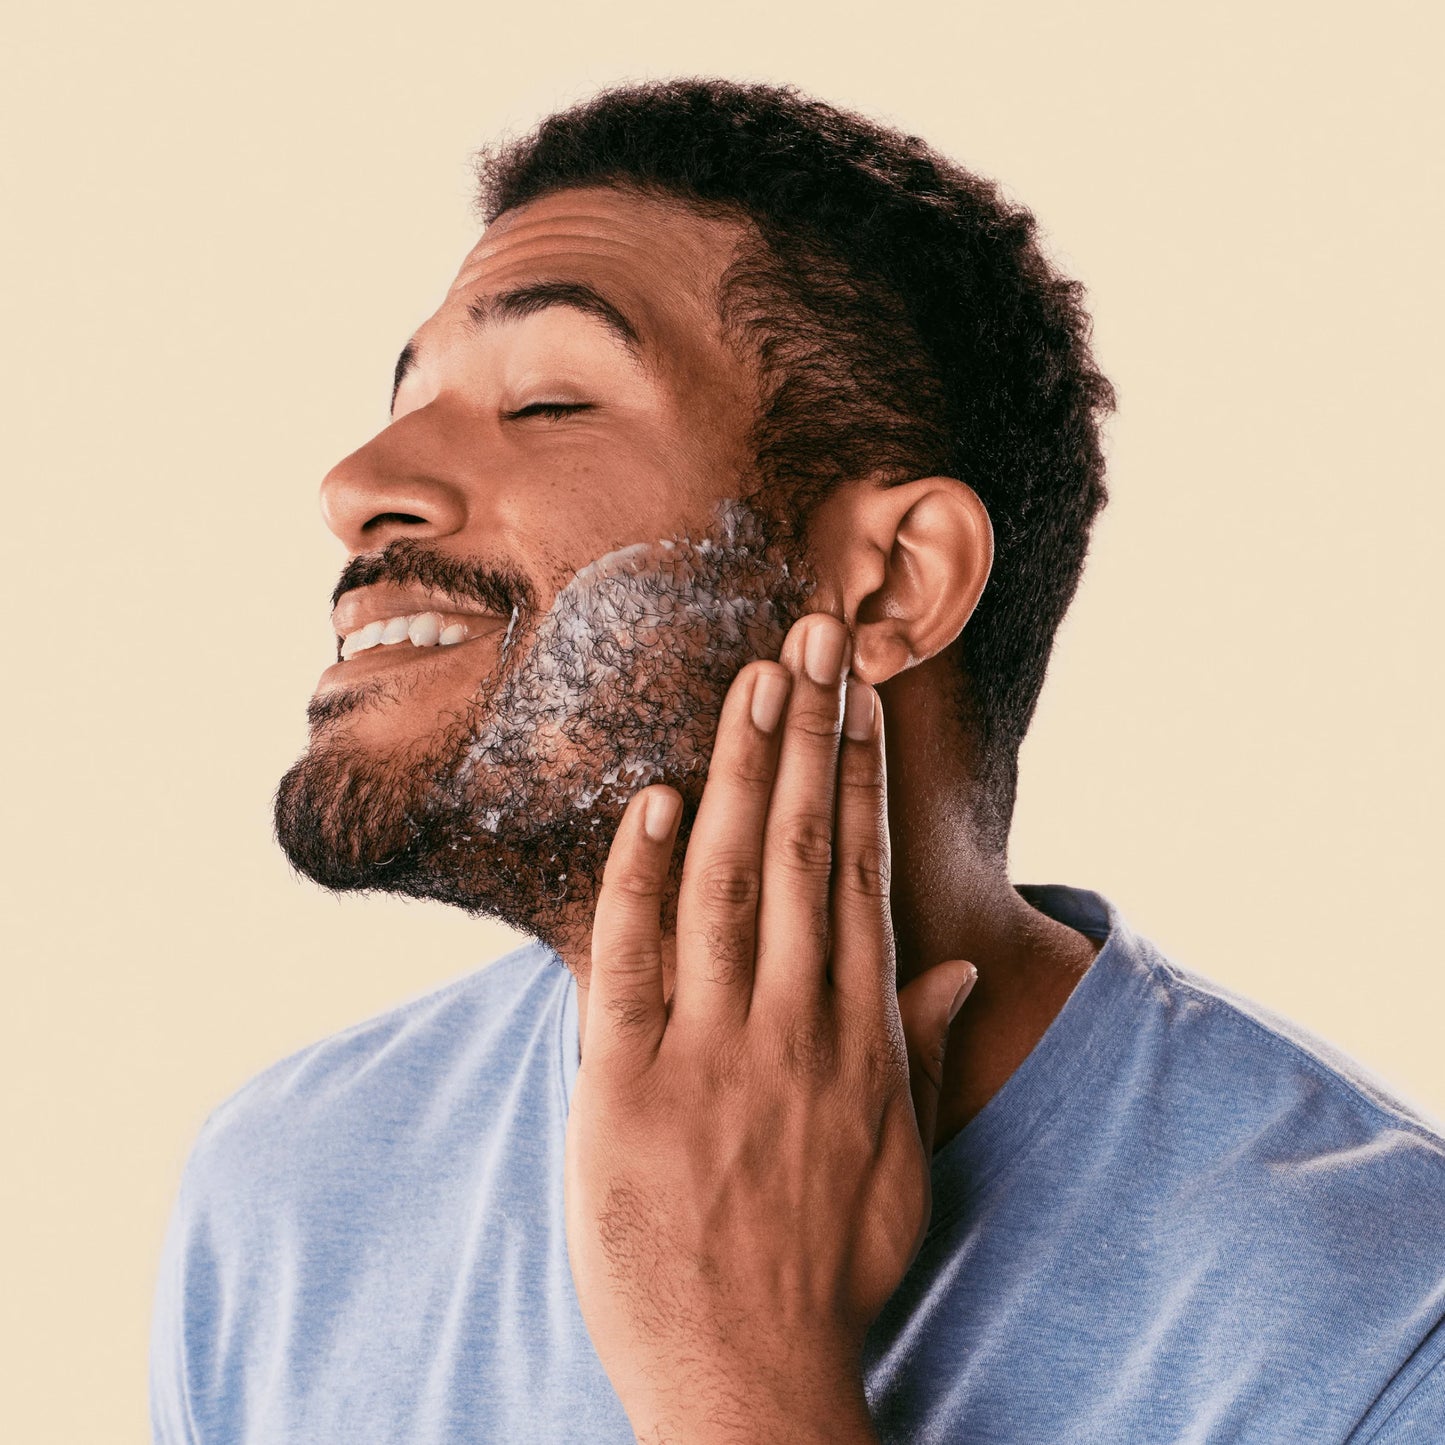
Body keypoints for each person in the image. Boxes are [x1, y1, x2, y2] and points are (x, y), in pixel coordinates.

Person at [150, 79, 1445, 1443]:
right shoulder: (286, 1199)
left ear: (887, 584)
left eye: (546, 400)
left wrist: (739, 1369)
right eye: (403, 394)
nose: (358, 480)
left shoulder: (1378, 1323)